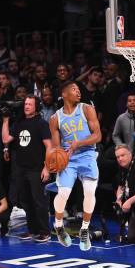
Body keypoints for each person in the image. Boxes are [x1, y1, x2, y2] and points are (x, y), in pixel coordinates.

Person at [49, 80, 101, 251]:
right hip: (68, 158)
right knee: (63, 192)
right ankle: (58, 226)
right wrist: (55, 159)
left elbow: (98, 136)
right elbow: (57, 147)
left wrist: (79, 143)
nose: (78, 92)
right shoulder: (55, 118)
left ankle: (84, 229)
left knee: (89, 191)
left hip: (87, 154)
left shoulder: (86, 109)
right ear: (64, 94)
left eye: (79, 89)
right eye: (74, 89)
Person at [2, 95, 52, 242]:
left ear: (36, 107)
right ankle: (32, 230)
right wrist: (5, 121)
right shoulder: (19, 122)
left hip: (36, 168)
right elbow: (5, 139)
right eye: (25, 104)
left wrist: (47, 168)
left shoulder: (41, 123)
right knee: (26, 201)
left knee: (39, 201)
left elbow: (49, 146)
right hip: (21, 169)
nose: (26, 106)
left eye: (30, 104)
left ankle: (45, 232)